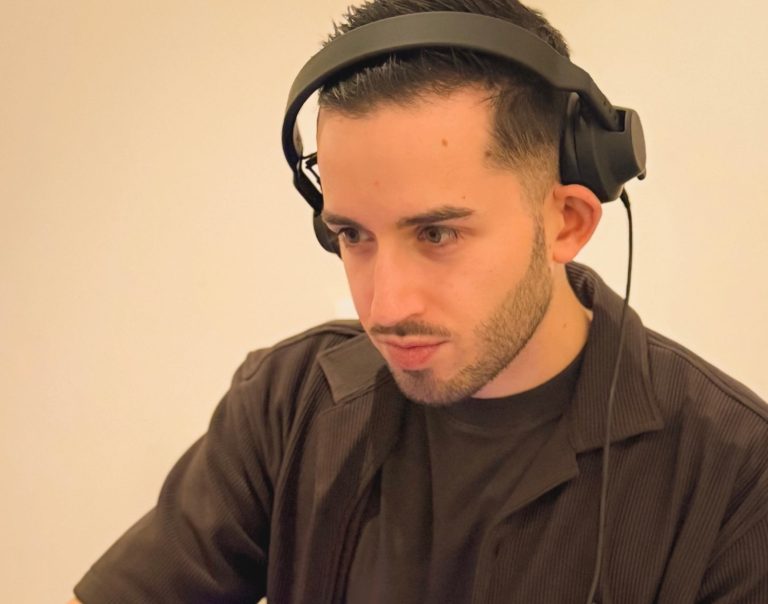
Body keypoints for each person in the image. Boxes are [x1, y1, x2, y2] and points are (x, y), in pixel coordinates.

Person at [72, 1, 768, 602]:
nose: (385, 307)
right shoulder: (287, 404)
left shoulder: (738, 476)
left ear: (566, 222)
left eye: (437, 234)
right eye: (352, 235)